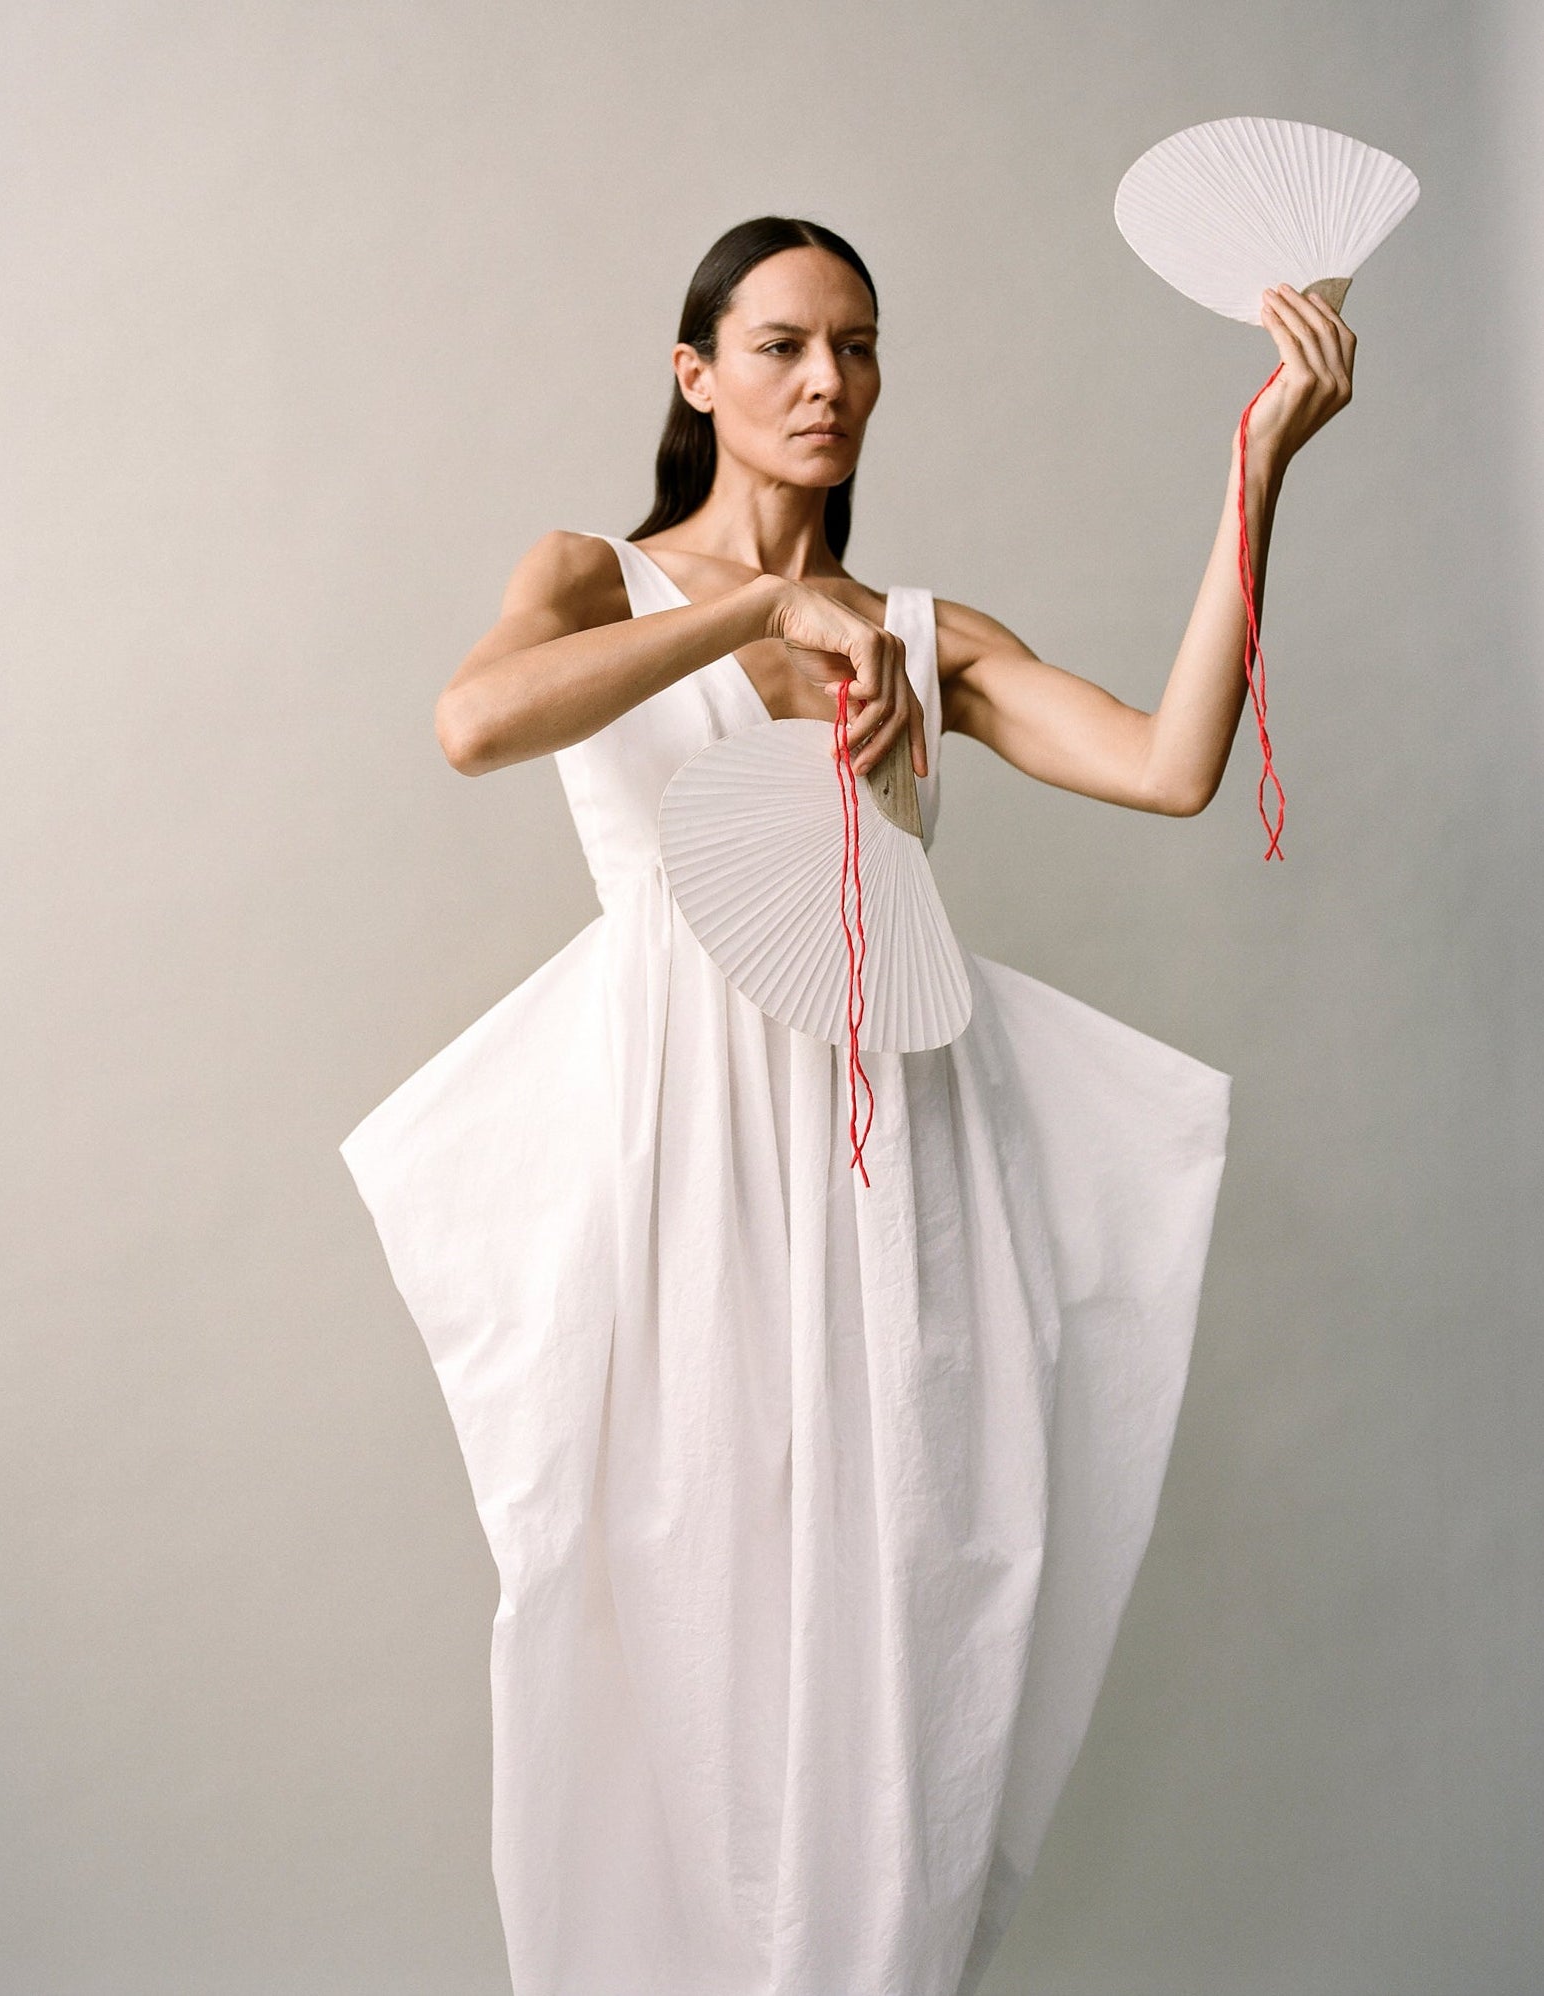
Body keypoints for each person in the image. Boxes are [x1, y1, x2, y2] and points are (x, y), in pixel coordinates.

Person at [340, 214, 1355, 1996]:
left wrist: (1252, 468)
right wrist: (755, 602)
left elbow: (1169, 765)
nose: (827, 382)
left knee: (899, 1654)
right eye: (785, 346)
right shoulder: (597, 575)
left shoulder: (921, 638)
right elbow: (472, 725)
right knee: (668, 1652)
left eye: (859, 347)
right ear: (696, 375)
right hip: (684, 1194)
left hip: (897, 1202)